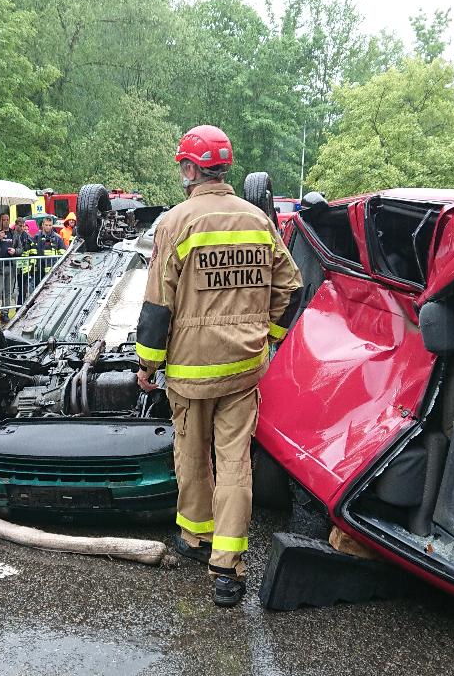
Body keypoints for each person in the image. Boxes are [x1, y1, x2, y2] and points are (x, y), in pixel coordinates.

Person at [134, 125, 302, 607]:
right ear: (225, 168)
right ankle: (227, 568)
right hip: (244, 368)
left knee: (191, 456)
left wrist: (148, 363)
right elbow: (290, 287)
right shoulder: (258, 221)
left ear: (189, 168)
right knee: (235, 464)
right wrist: (268, 339)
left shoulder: (176, 222)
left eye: (181, 165)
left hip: (189, 370)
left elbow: (157, 306)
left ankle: (194, 538)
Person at [0, 213, 19, 324]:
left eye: (7, 219)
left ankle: (5, 313)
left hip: (10, 266)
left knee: (8, 292)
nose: (6, 221)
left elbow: (20, 248)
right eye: (3, 220)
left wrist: (15, 251)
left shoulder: (14, 233)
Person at [30, 215, 67, 283]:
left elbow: (62, 253)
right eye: (46, 225)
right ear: (42, 225)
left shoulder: (57, 238)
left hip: (52, 270)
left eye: (50, 225)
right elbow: (32, 252)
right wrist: (32, 267)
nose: (48, 227)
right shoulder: (36, 237)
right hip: (38, 269)